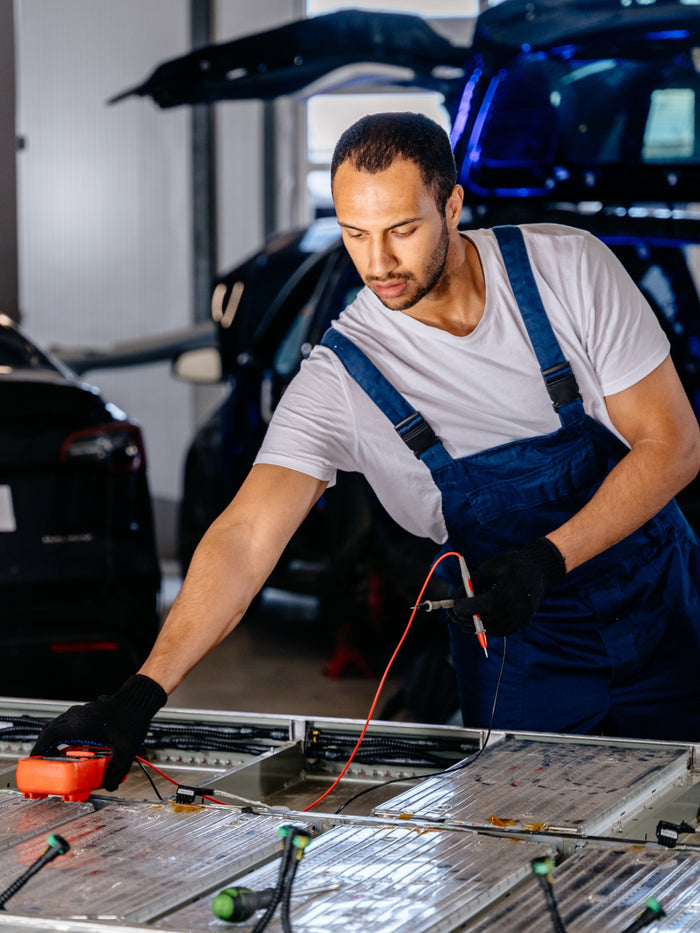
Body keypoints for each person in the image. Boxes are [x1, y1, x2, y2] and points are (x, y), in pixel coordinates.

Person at [33, 113, 700, 790]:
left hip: (668, 613)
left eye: (401, 230)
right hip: (524, 654)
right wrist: (140, 694)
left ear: (452, 206)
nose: (378, 263)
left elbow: (673, 445)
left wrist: (549, 558)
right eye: (355, 234)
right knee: (530, 833)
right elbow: (246, 534)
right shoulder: (342, 375)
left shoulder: (568, 269)